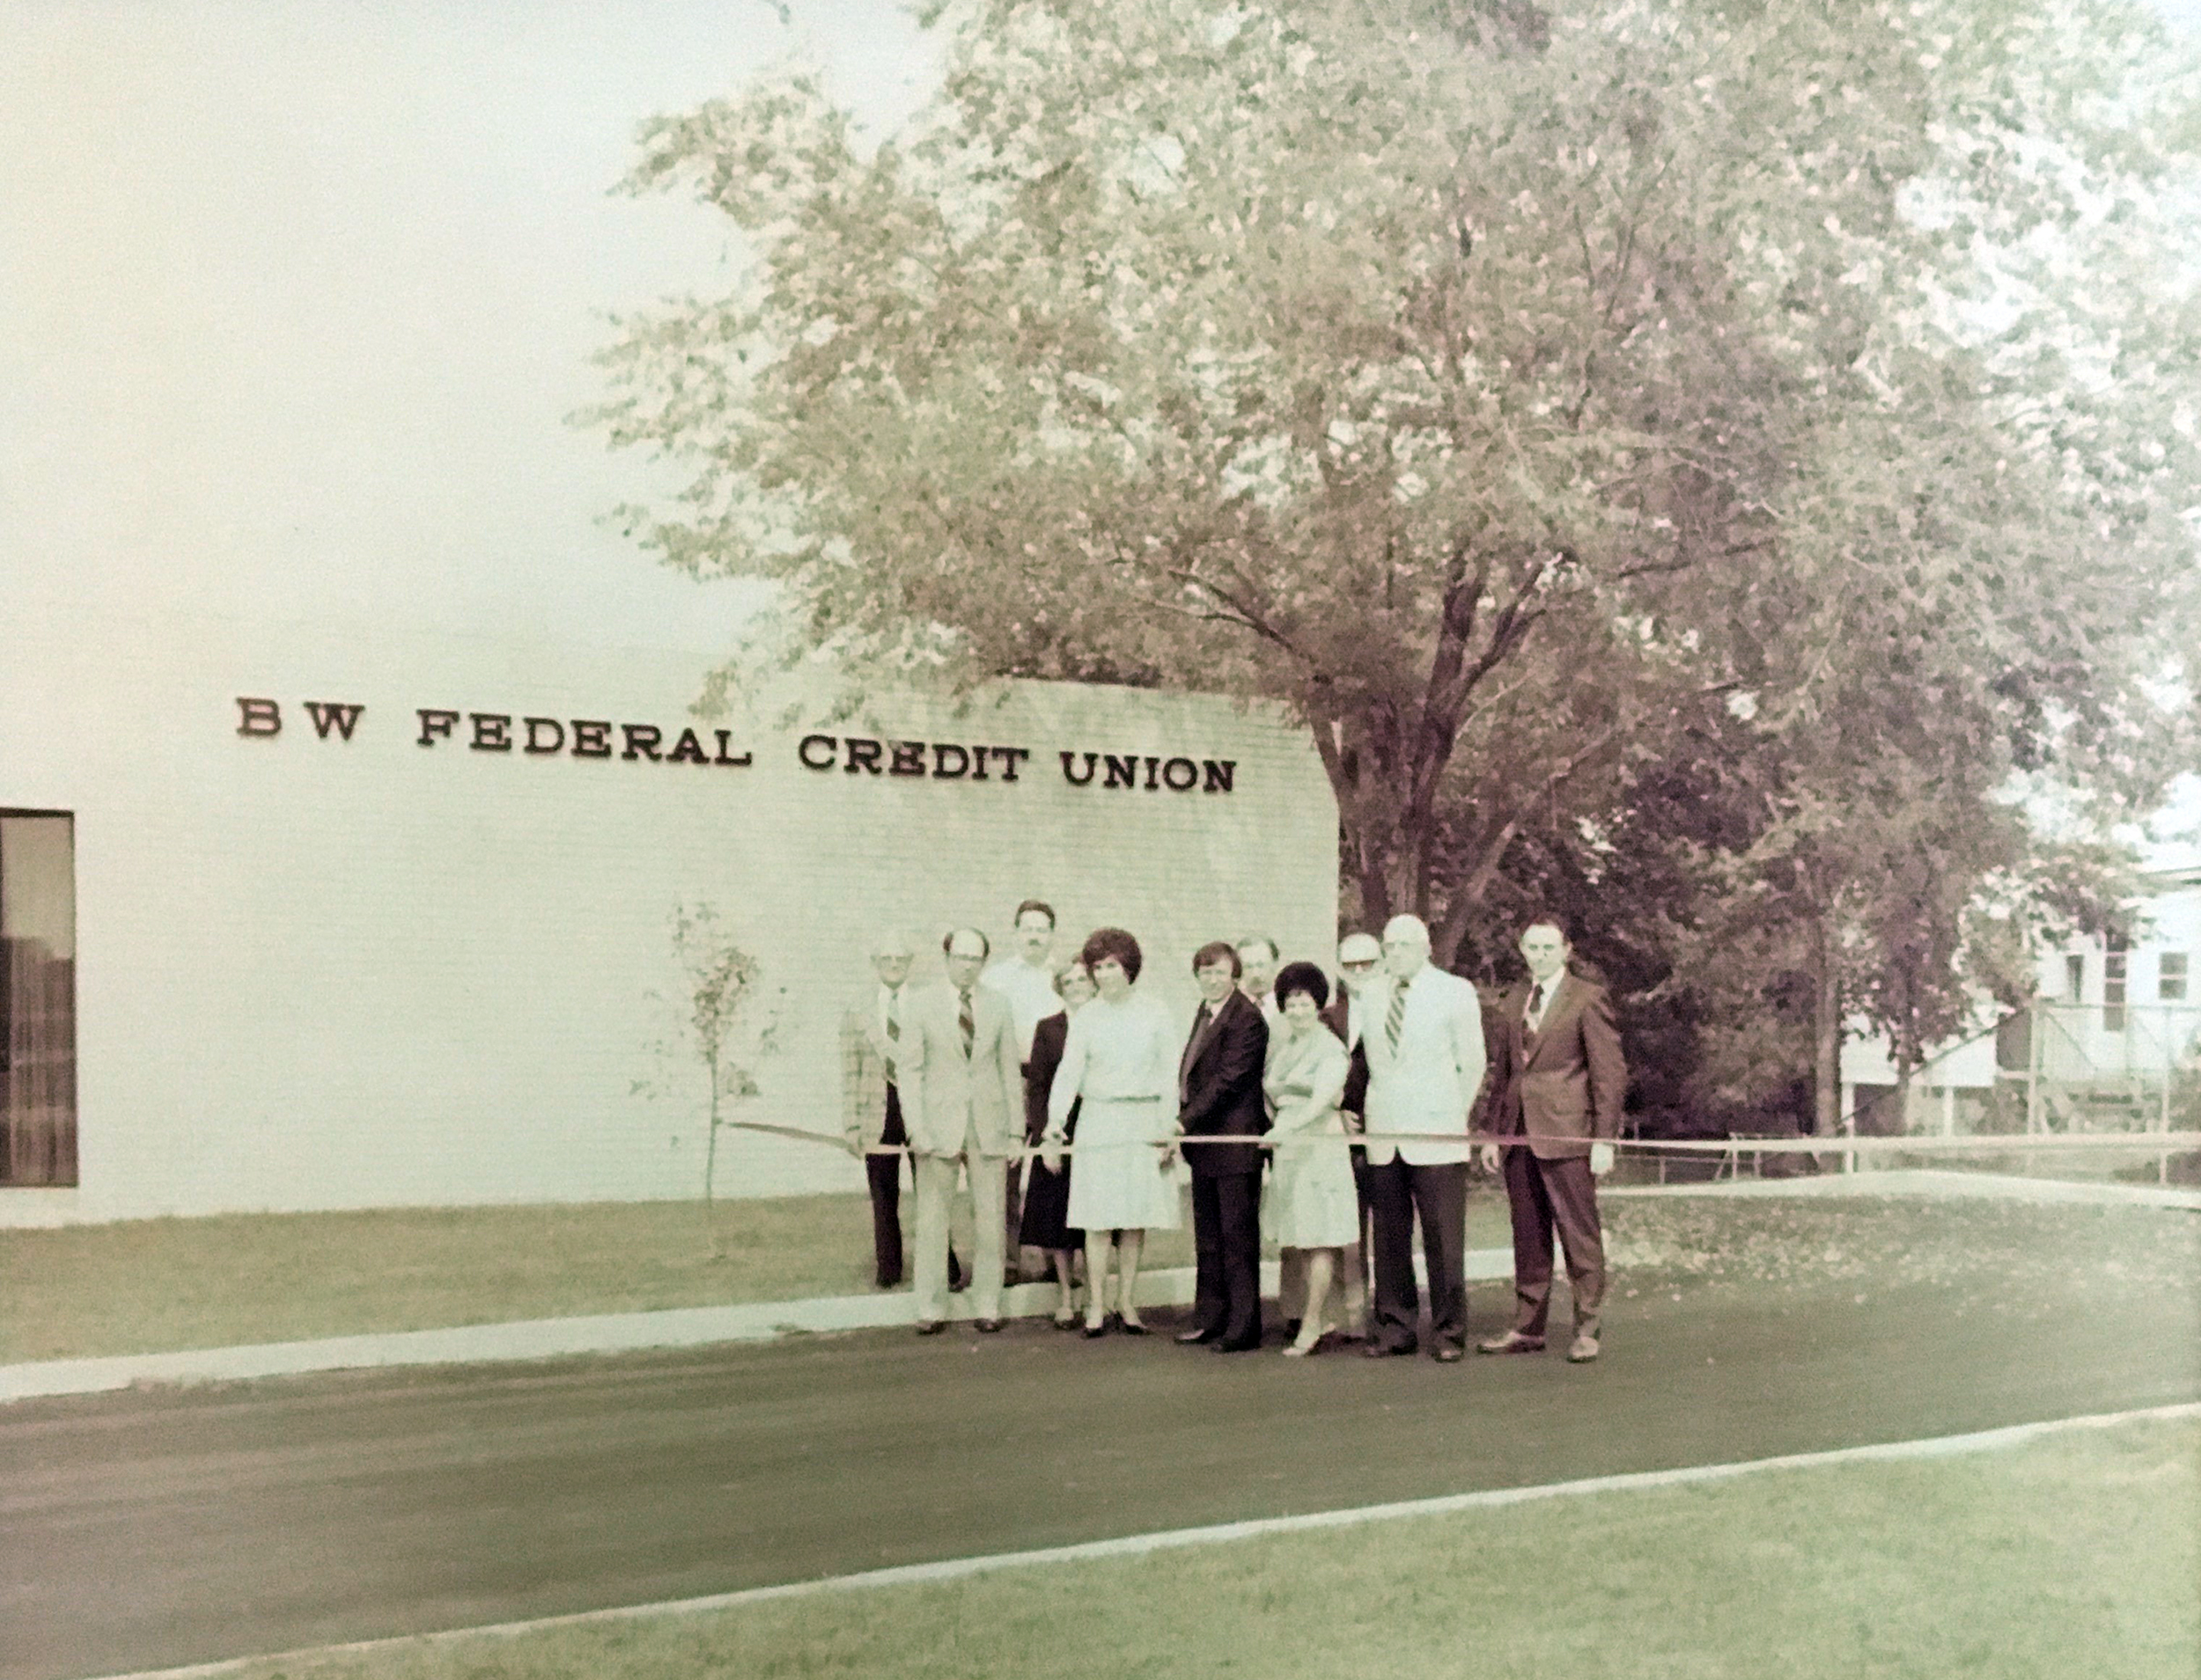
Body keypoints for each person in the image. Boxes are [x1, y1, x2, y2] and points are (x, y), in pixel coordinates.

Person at [1478, 913, 1627, 1364]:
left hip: (1569, 1135)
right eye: (1531, 947)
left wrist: (1604, 1139)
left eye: (1548, 948)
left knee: (1578, 1234)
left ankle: (1588, 1327)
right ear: (1522, 950)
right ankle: (1528, 1326)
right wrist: (1493, 1134)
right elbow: (1503, 1074)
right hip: (1519, 1134)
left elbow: (1609, 1074)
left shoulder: (1588, 998)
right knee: (1528, 1235)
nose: (1538, 956)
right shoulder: (1515, 999)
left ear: (1566, 951)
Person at [1042, 928, 1181, 1336]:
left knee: (1134, 1218)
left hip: (1143, 1121)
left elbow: (1167, 1074)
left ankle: (1127, 1302)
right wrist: (1055, 1125)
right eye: (1097, 967)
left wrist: (1167, 1127)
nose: (1104, 975)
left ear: (1129, 967)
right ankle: (1097, 1306)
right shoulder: (1087, 1016)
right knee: (1098, 1218)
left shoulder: (1155, 1011)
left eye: (1111, 966)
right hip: (1099, 1122)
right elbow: (1068, 1074)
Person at [1361, 913, 1487, 1361]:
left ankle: (1450, 1332)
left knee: (1442, 1238)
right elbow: (1368, 1060)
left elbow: (1472, 1062)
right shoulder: (1371, 993)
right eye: (1389, 945)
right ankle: (1396, 1328)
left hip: (1436, 1132)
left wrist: (1452, 1113)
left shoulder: (1454, 991)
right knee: (1390, 1237)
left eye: (1404, 945)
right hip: (1385, 1132)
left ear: (1426, 947)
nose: (1395, 953)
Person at [900, 927, 1024, 1335]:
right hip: (937, 1128)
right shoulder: (919, 1004)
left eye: (975, 959)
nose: (967, 966)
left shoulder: (999, 1005)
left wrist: (1016, 1133)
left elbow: (1009, 1071)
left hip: (989, 1125)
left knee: (991, 1219)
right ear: (946, 957)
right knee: (933, 1221)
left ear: (984, 963)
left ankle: (988, 1302)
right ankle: (931, 1306)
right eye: (960, 957)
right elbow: (910, 1071)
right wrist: (916, 1128)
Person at [838, 929, 960, 1293]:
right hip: (878, 1111)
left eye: (900, 959)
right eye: (886, 959)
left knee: (933, 1191)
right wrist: (851, 1125)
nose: (893, 965)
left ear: (909, 964)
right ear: (875, 964)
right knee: (883, 1194)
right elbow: (849, 1071)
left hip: (920, 1108)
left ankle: (946, 1267)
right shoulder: (857, 1010)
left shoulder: (926, 1005)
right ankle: (889, 1268)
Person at [1174, 940, 1270, 1353]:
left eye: (1218, 972)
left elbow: (1228, 1080)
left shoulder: (1246, 1018)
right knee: (1209, 1239)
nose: (1211, 979)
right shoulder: (1204, 1011)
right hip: (1206, 1147)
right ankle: (1210, 1319)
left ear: (1235, 974)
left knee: (1237, 1239)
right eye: (1204, 972)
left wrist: (1183, 1120)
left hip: (1234, 1144)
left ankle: (1243, 1327)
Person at [1262, 962, 1361, 1357]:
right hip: (1290, 1148)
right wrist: (1278, 1125)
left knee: (1319, 1236)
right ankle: (1316, 1315)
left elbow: (1321, 1099)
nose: (1297, 1011)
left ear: (1318, 1004)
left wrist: (1287, 1128)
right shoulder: (1287, 1046)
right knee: (1301, 1236)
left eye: (1304, 1003)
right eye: (1290, 1003)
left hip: (1318, 1144)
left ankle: (1313, 1321)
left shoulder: (1329, 1047)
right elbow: (1272, 1094)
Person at [983, 898, 1065, 1281]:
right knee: (1008, 1175)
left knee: (1053, 1173)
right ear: (1016, 933)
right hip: (1012, 1080)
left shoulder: (1064, 977)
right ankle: (1009, 1263)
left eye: (1041, 929)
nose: (1034, 935)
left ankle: (1056, 1262)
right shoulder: (997, 978)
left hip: (1053, 1082)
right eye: (1027, 928)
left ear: (1051, 935)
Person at [1020, 958, 1094, 1328]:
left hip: (1099, 1130)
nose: (1078, 985)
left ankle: (1097, 1293)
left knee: (1099, 1216)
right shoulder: (1048, 1029)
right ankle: (1066, 1294)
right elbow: (1037, 1087)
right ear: (1060, 987)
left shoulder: (1106, 1020)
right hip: (1059, 1133)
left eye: (1084, 978)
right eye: (1070, 980)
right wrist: (1044, 1135)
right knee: (1058, 1216)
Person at [1317, 931, 1381, 1337]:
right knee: (1346, 1224)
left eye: (1368, 964)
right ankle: (1351, 1310)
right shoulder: (1326, 1018)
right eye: (1350, 965)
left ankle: (1388, 1308)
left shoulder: (1398, 1009)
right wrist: (1335, 1109)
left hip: (1389, 1130)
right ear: (1340, 969)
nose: (1359, 972)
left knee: (1390, 1225)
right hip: (1340, 1133)